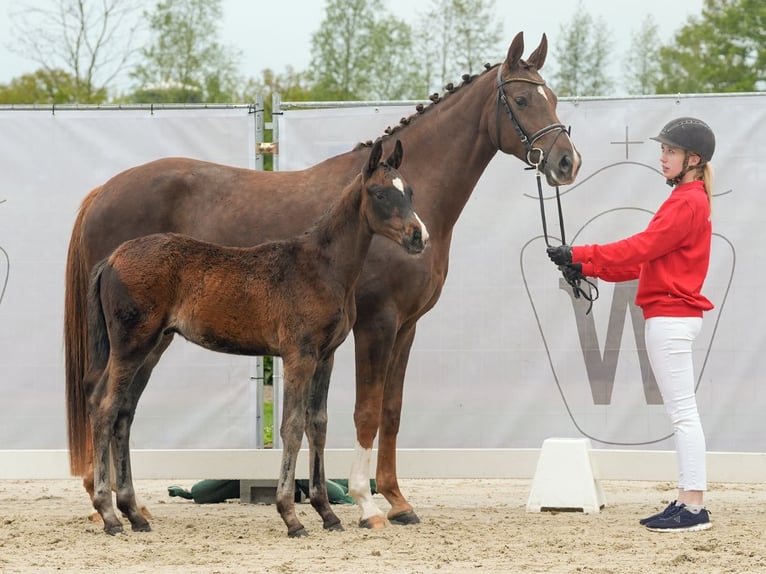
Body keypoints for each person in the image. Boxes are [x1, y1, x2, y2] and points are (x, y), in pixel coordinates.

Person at [547, 117, 715, 533]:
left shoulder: (688, 202)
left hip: (671, 319)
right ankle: (685, 501)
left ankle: (693, 508)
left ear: (692, 160)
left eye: (670, 152)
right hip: (671, 316)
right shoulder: (686, 199)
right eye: (663, 151)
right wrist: (585, 265)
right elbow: (644, 262)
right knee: (682, 413)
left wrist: (581, 251)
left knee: (683, 414)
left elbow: (641, 246)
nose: (662, 158)